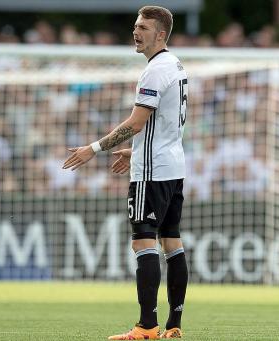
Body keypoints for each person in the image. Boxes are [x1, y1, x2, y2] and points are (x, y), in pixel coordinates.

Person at [62, 6, 188, 339]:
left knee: (143, 242)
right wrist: (138, 150)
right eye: (135, 26)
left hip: (152, 173)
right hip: (173, 167)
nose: (136, 31)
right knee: (172, 242)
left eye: (144, 27)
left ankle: (147, 327)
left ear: (160, 34)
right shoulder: (175, 65)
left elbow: (136, 122)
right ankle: (174, 325)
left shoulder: (154, 71)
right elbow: (165, 125)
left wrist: (93, 148)